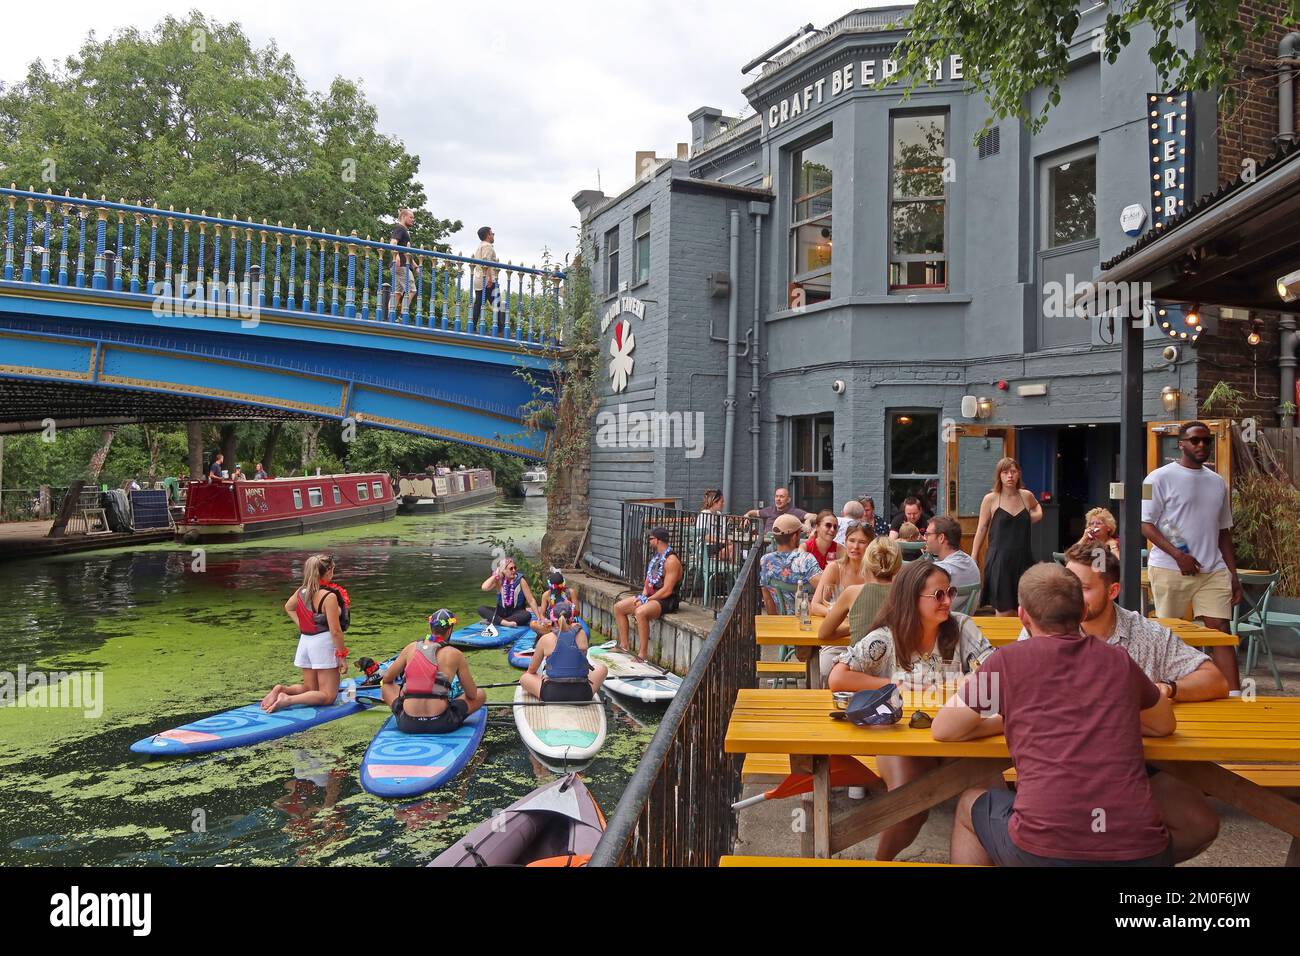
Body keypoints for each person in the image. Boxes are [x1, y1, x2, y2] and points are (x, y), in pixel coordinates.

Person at [936, 563, 1176, 867]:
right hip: (1144, 851)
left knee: (969, 805)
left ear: (1022, 616)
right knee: (1187, 815)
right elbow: (1164, 724)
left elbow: (945, 728)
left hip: (1043, 848)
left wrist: (1007, 718)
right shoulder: (1118, 660)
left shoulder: (1007, 662)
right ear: (1083, 612)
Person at [1023, 542, 1225, 861]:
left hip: (1133, 769)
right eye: (1068, 586)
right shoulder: (1045, 624)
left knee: (1200, 824)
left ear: (1113, 590)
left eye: (1084, 588)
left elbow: (1214, 678)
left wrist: (1166, 689)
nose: (1071, 598)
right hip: (1058, 766)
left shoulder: (1145, 634)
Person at [827, 560, 993, 860]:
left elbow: (993, 671)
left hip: (958, 734)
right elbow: (838, 677)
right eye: (938, 595)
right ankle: (882, 862)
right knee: (910, 808)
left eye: (950, 592)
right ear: (911, 598)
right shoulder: (888, 638)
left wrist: (970, 679)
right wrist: (891, 683)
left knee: (991, 793)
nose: (947, 601)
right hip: (902, 737)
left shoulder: (963, 626)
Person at [1141, 421, 1242, 691]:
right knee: (1170, 634)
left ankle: (1234, 696)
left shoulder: (1218, 482)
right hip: (1169, 569)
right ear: (1181, 444)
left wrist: (1233, 575)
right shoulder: (1154, 479)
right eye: (1195, 440)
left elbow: (1224, 532)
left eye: (1206, 440)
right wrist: (1178, 556)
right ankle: (1168, 691)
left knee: (1220, 630)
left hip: (1213, 571)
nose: (1201, 445)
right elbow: (1145, 525)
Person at [262, 554, 351, 713]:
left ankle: (282, 689)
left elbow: (289, 607)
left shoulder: (302, 591)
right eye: (333, 570)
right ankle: (288, 699)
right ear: (328, 571)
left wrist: (304, 625)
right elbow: (335, 631)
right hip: (322, 643)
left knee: (310, 687)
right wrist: (342, 656)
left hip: (306, 641)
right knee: (328, 696)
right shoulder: (329, 596)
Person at [381, 609, 486, 733]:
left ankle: (407, 709)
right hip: (441, 723)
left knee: (385, 686)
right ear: (449, 630)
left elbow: (387, 679)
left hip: (408, 724)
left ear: (431, 627)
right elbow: (472, 694)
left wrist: (404, 692)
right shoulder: (455, 654)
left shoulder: (410, 648)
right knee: (480, 694)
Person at [971, 457, 1043, 617]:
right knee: (1004, 611)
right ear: (999, 475)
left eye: (1013, 471)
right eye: (1005, 472)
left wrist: (1035, 516)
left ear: (1018, 474)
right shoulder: (990, 499)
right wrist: (974, 555)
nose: (1010, 476)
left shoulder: (1026, 496)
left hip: (1024, 558)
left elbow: (1037, 506)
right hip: (1000, 560)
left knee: (1025, 608)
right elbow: (981, 528)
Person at [613, 526, 683, 659]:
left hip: (667, 600)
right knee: (619, 607)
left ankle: (642, 654)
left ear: (658, 541)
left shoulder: (671, 561)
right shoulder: (656, 557)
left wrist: (647, 600)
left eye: (650, 539)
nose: (648, 541)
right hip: (652, 597)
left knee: (640, 612)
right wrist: (644, 595)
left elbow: (667, 590)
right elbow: (648, 581)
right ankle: (624, 645)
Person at [521, 601, 608, 702]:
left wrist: (544, 677)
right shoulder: (582, 634)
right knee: (602, 669)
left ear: (553, 620)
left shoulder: (545, 639)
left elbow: (532, 670)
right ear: (572, 618)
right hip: (582, 695)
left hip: (552, 695)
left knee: (525, 677)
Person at [759, 513, 821, 615]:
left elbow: (768, 600)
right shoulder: (805, 559)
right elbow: (825, 587)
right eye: (800, 533)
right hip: (809, 620)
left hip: (782, 622)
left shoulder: (765, 560)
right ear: (794, 537)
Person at [812, 520, 871, 617]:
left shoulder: (875, 570)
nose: (855, 546)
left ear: (870, 545)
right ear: (845, 541)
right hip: (839, 626)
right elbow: (815, 606)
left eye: (862, 542)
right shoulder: (834, 568)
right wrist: (840, 615)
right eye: (851, 540)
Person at [478, 556, 541, 628]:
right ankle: (504, 623)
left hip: (517, 612)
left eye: (515, 568)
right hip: (501, 612)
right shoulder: (499, 581)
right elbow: (484, 588)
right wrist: (496, 575)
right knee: (481, 609)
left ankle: (496, 621)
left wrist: (539, 618)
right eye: (511, 568)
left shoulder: (521, 580)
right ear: (503, 571)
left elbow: (531, 600)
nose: (514, 570)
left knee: (527, 615)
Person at [924, 515, 980, 589]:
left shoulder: (939, 571)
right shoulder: (971, 562)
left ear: (941, 538)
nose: (924, 538)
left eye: (928, 534)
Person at [390, 207, 420, 318]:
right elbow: (393, 242)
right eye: (411, 217)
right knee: (411, 290)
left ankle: (390, 317)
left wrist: (416, 266)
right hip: (401, 265)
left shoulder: (404, 230)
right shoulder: (400, 228)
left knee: (398, 293)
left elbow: (407, 253)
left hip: (400, 264)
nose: (413, 220)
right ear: (403, 217)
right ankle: (403, 317)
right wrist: (396, 256)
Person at [471, 225, 501, 332]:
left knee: (478, 303)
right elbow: (486, 261)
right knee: (497, 304)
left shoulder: (480, 246)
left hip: (478, 279)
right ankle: (501, 330)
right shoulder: (488, 246)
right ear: (488, 235)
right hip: (488, 279)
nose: (493, 235)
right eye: (492, 233)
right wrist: (489, 278)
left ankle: (472, 326)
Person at [744, 487, 809, 535]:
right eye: (776, 496)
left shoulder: (795, 512)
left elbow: (814, 516)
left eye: (781, 497)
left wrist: (807, 522)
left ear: (788, 500)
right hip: (766, 544)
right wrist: (746, 517)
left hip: (784, 546)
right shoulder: (769, 510)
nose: (778, 499)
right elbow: (753, 513)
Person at [530, 570, 575, 635]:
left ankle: (556, 632)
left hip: (567, 622)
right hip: (552, 624)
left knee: (575, 625)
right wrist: (545, 621)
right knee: (533, 624)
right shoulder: (546, 595)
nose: (557, 592)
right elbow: (542, 614)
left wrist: (571, 606)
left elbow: (577, 613)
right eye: (555, 590)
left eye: (558, 590)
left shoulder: (570, 592)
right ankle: (554, 631)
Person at [697, 488, 734, 562]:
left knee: (734, 547)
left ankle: (722, 566)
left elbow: (723, 534)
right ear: (715, 502)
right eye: (722, 502)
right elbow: (704, 536)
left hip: (718, 546)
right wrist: (722, 541)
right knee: (732, 549)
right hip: (705, 547)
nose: (723, 504)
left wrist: (727, 540)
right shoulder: (704, 514)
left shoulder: (720, 515)